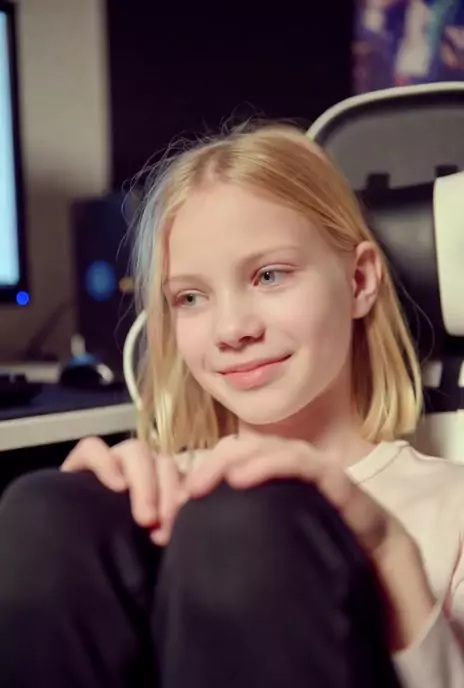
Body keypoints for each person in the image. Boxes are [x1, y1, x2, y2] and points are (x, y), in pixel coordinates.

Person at [1, 123, 464, 687]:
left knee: (246, 526)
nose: (231, 329)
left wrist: (387, 549)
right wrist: (77, 551)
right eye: (191, 297)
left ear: (360, 280)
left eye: (269, 275)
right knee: (44, 510)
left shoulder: (450, 508)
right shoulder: (160, 495)